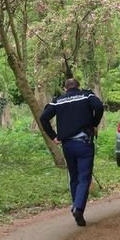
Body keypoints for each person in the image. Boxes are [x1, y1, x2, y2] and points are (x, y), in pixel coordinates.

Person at [40, 78, 104, 226]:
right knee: (84, 177)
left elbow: (43, 117)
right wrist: (94, 123)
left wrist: (53, 136)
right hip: (84, 144)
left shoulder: (58, 100)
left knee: (74, 177)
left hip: (67, 145)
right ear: (78, 86)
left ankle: (76, 205)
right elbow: (99, 106)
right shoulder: (86, 95)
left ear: (65, 88)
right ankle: (79, 208)